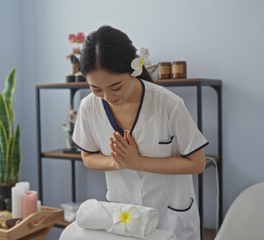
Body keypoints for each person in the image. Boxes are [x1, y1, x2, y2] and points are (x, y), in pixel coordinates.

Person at [72, 25, 208, 240]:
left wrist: (138, 162)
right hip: (124, 218)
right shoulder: (89, 107)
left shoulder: (168, 104)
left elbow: (197, 163)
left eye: (116, 87)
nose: (107, 97)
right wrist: (117, 162)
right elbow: (87, 157)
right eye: (96, 89)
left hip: (171, 218)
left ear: (134, 69)